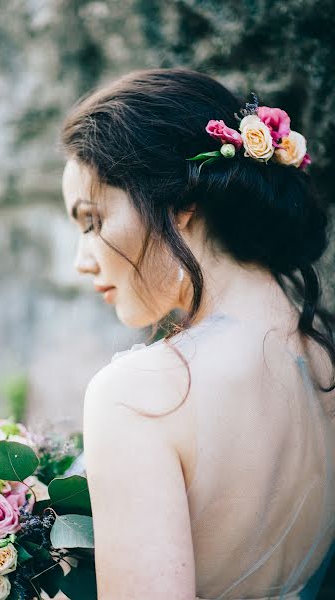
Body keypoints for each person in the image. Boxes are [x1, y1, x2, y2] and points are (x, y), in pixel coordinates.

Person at [60, 67, 335, 600]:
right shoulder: (324, 361)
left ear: (180, 203)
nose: (81, 262)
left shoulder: (138, 396)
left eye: (92, 221)